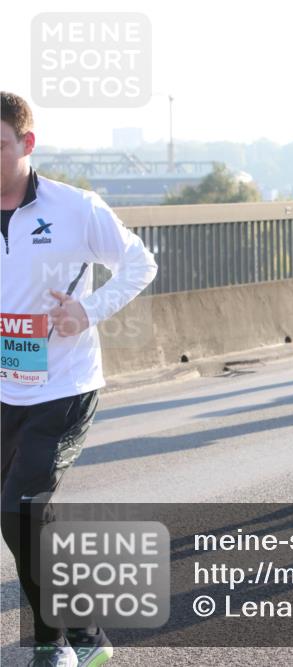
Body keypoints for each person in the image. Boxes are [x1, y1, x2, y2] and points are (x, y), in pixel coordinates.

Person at [1, 91, 158, 667]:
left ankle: (55, 645)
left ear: (27, 144)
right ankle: (88, 635)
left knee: (19, 510)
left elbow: (140, 263)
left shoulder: (75, 208)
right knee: (21, 520)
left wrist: (86, 311)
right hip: (4, 388)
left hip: (64, 387)